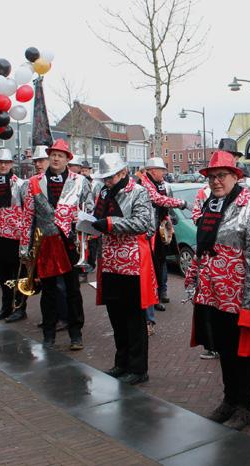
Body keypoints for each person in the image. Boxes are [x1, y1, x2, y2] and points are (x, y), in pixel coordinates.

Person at [184, 150, 250, 430]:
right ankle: (229, 401)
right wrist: (195, 280)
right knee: (223, 348)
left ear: (236, 176)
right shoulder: (211, 205)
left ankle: (244, 407)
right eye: (211, 177)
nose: (216, 181)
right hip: (213, 293)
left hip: (239, 295)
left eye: (221, 175)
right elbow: (202, 247)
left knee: (242, 352)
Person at [92, 152, 158, 385]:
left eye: (110, 177)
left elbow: (144, 223)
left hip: (132, 265)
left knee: (133, 320)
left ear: (123, 173)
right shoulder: (102, 192)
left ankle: (138, 369)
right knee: (116, 317)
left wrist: (109, 223)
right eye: (105, 178)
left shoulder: (139, 192)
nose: (107, 181)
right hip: (110, 263)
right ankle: (121, 363)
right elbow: (96, 217)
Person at [20, 139, 93, 350]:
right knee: (49, 291)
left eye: (60, 155)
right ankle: (49, 333)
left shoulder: (79, 181)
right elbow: (28, 217)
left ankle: (76, 333)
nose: (55, 158)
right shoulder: (33, 182)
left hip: (70, 242)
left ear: (67, 159)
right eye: (53, 154)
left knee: (72, 290)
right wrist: (24, 247)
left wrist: (82, 233)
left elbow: (89, 209)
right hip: (46, 243)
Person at [140, 157, 187, 309]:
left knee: (161, 261)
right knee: (153, 264)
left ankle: (162, 292)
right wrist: (181, 203)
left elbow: (165, 205)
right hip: (149, 233)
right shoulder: (144, 184)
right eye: (162, 171)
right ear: (153, 171)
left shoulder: (162, 184)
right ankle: (154, 297)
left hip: (160, 229)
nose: (164, 174)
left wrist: (168, 223)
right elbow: (158, 200)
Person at [0, 148, 28, 323]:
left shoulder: (20, 184)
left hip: (18, 236)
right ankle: (6, 307)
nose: (3, 165)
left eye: (6, 162)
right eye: (0, 162)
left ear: (11, 164)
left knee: (19, 274)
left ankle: (20, 308)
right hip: (1, 235)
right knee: (4, 275)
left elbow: (27, 210)